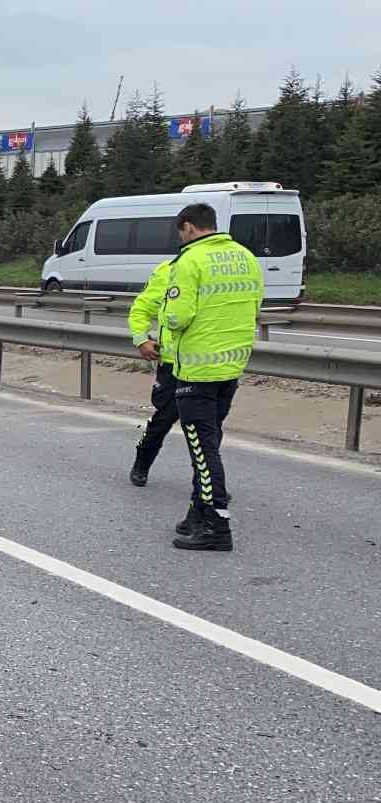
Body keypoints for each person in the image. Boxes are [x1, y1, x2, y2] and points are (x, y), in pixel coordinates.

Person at [164, 202, 262, 552]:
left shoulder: (189, 261)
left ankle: (217, 524)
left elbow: (177, 317)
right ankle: (197, 512)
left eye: (180, 232)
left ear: (189, 227)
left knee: (203, 450)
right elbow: (255, 307)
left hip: (197, 368)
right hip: (231, 365)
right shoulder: (246, 257)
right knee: (208, 445)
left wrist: (165, 313)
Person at [126, 259, 176, 487]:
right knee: (164, 418)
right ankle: (142, 461)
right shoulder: (170, 269)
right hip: (174, 363)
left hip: (210, 366)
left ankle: (211, 485)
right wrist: (141, 339)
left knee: (207, 428)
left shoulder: (219, 270)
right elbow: (142, 308)